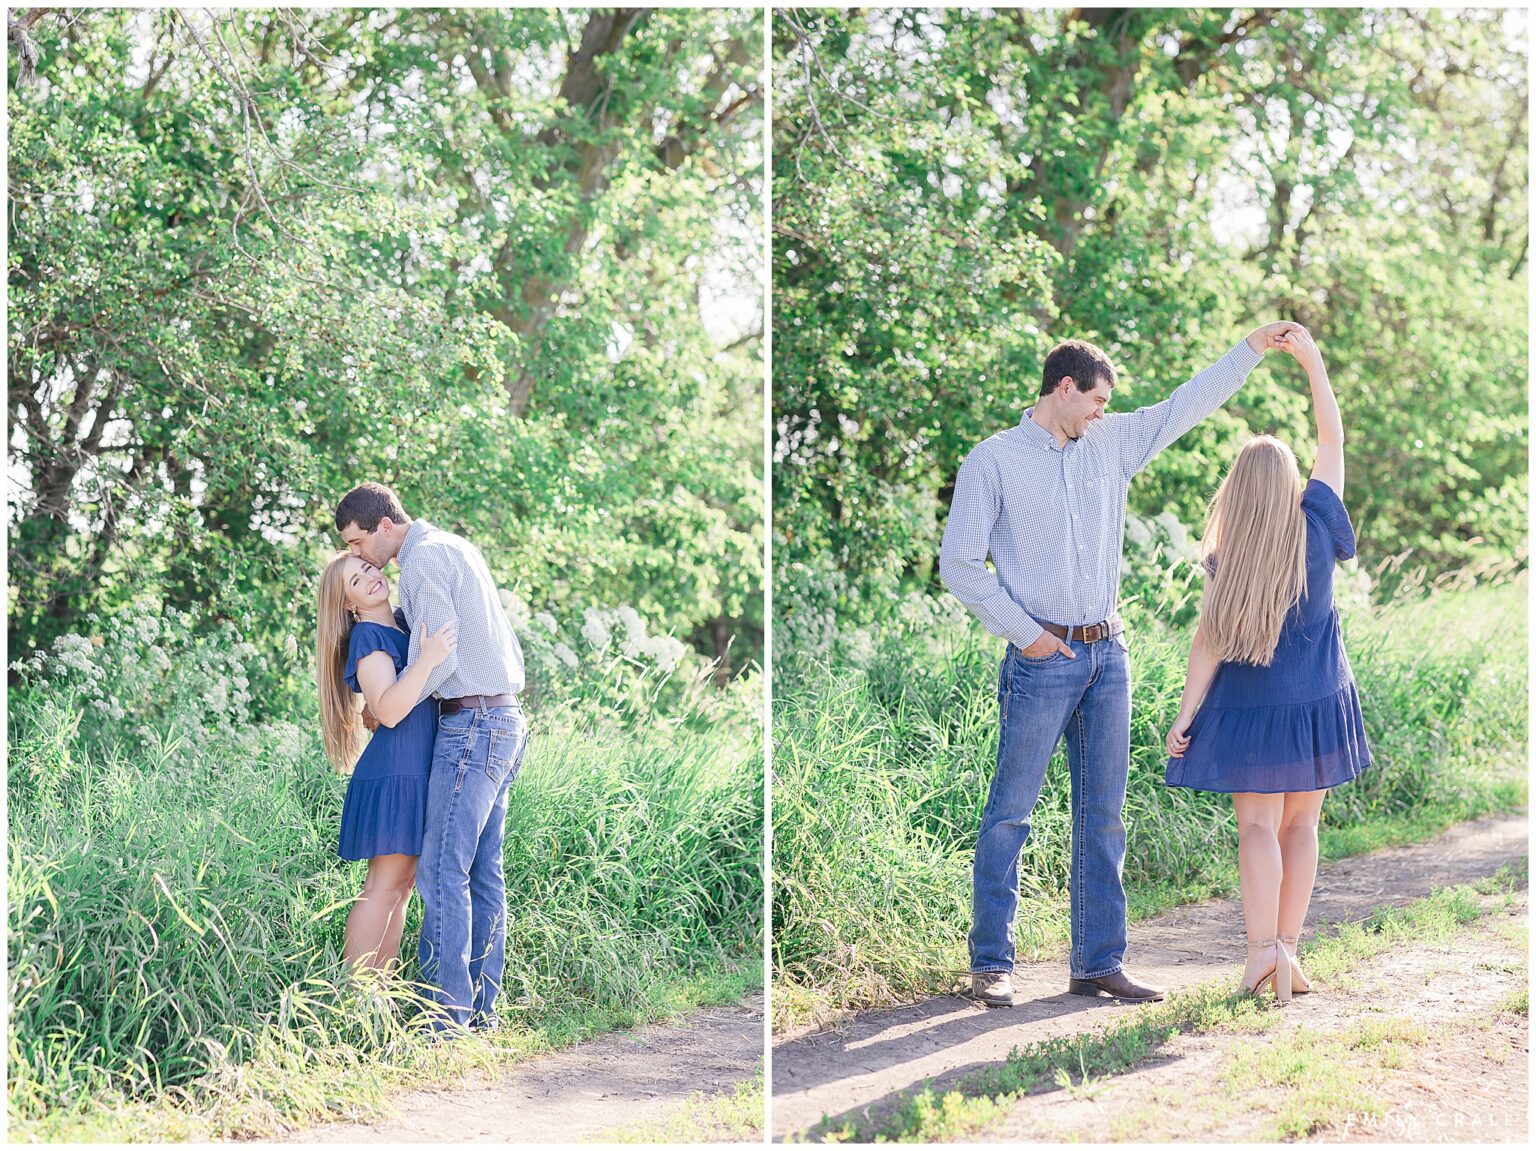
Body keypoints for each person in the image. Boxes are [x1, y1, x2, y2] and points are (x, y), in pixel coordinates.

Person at [940, 320, 1304, 1009]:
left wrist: (1251, 350)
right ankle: (992, 962)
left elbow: (1184, 405)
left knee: (1104, 815)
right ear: (1065, 388)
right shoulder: (992, 460)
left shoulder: (1111, 442)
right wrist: (1026, 635)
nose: (1104, 414)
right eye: (1097, 402)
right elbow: (959, 564)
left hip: (1109, 652)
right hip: (1041, 656)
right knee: (1010, 812)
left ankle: (1098, 962)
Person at [1164, 325, 1370, 1001]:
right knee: (1302, 824)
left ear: (1236, 493)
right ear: (1289, 485)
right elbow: (1331, 440)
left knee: (1257, 826)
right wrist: (1312, 358)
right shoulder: (1317, 522)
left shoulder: (1229, 556)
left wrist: (1185, 716)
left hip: (1250, 711)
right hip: (1317, 701)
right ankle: (1288, 950)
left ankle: (1259, 956)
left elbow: (1208, 642)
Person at [335, 482, 529, 1033]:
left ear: (383, 528)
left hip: (472, 724)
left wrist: (390, 705)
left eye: (356, 542)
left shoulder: (420, 561)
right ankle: (480, 1014)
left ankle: (444, 1021)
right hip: (503, 716)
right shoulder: (455, 546)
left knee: (444, 872)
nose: (356, 554)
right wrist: (387, 700)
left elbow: (438, 658)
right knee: (482, 874)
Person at [316, 554, 457, 971]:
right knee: (383, 887)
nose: (371, 578)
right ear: (348, 602)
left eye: (369, 569)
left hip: (415, 768)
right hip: (396, 771)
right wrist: (428, 660)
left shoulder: (401, 623)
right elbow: (389, 710)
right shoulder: (368, 635)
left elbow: (379, 711)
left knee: (400, 888)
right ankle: (357, 994)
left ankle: (380, 994)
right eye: (357, 581)